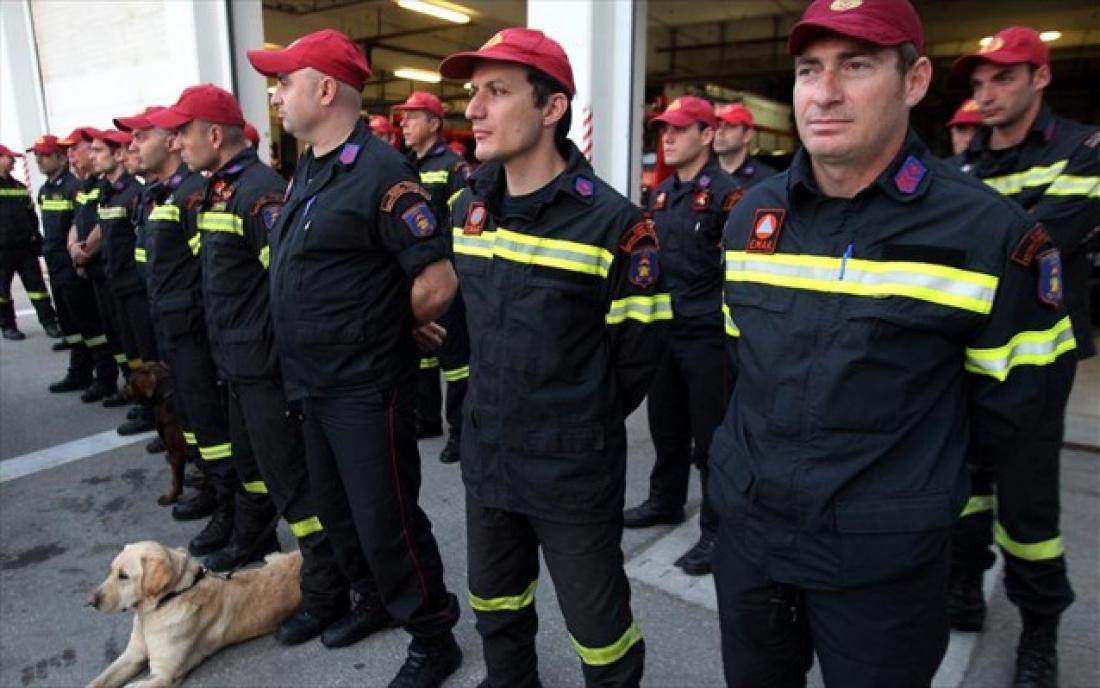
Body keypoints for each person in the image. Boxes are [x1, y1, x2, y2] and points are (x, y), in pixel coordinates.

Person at [709, 1, 1077, 686]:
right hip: (753, 545)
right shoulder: (752, 218)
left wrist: (916, 500)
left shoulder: (988, 237)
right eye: (809, 69)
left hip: (883, 568)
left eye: (856, 66)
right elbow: (743, 370)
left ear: (914, 82)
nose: (824, 92)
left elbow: (1018, 416)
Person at [440, 27, 671, 687]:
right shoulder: (471, 208)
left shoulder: (615, 226)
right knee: (496, 605)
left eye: (497, 92)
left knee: (599, 633)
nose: (475, 110)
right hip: (489, 456)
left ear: (551, 108)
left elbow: (637, 355)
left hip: (571, 468)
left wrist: (574, 417)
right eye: (473, 93)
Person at [248, 29, 462, 687]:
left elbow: (437, 280)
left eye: (285, 81)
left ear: (324, 89)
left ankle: (433, 634)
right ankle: (372, 600)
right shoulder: (310, 166)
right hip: (314, 382)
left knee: (386, 517)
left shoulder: (382, 173)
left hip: (366, 387)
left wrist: (389, 330)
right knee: (340, 514)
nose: (276, 94)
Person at [154, 83, 354, 642]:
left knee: (296, 488)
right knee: (253, 469)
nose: (177, 141)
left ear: (214, 135)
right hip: (237, 365)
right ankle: (261, 545)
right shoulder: (220, 191)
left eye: (183, 131)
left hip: (266, 370)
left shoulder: (259, 191)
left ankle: (327, 590)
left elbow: (288, 285)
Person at [949, 25, 1099, 687]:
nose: (986, 93)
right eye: (979, 83)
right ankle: (962, 582)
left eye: (1003, 78)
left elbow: (1041, 237)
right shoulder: (963, 163)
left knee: (1030, 509)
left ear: (1040, 77)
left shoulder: (1084, 150)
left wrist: (965, 233)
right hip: (962, 356)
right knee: (964, 483)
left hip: (1036, 363)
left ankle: (1040, 633)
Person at [623, 96, 740, 577]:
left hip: (708, 336)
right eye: (663, 130)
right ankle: (664, 501)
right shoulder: (663, 191)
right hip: (666, 331)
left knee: (712, 440)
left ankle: (717, 530)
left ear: (707, 135)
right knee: (666, 428)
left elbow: (740, 270)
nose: (667, 138)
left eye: (678, 129)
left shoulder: (728, 195)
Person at [117, 105, 243, 552]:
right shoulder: (162, 194)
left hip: (195, 333)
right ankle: (210, 488)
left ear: (169, 140)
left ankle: (232, 509)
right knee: (192, 423)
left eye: (139, 136)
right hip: (172, 329)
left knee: (213, 427)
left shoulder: (193, 193)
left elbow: (207, 270)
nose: (131, 146)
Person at [394, 90, 471, 463]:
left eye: (412, 117)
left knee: (455, 361)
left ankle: (460, 432)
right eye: (403, 117)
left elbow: (462, 225)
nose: (404, 124)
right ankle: (427, 419)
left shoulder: (453, 167)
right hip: (414, 275)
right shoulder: (406, 165)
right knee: (423, 354)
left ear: (434, 123)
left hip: (445, 275)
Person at [30, 134, 112, 393]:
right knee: (70, 325)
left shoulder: (73, 186)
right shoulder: (46, 190)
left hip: (73, 267)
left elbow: (85, 223)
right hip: (56, 266)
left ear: (58, 157)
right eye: (38, 156)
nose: (40, 161)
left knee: (89, 324)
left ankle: (103, 375)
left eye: (45, 155)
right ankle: (79, 370)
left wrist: (79, 253)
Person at [90, 128, 157, 433]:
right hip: (115, 282)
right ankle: (142, 404)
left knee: (145, 352)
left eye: (98, 151)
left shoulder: (134, 193)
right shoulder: (109, 192)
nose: (93, 157)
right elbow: (103, 233)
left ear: (116, 155)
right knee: (130, 350)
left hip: (135, 286)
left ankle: (152, 412)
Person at [0, 143, 60, 341]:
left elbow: (31, 215)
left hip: (24, 247)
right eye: (9, 158)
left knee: (38, 288)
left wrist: (36, 238)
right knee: (2, 291)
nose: (13, 161)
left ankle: (49, 323)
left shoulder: (19, 187)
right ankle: (8, 325)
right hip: (2, 250)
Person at [713, 103, 778, 188]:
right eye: (717, 126)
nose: (719, 132)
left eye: (729, 125)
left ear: (747, 135)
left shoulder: (767, 180)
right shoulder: (703, 176)